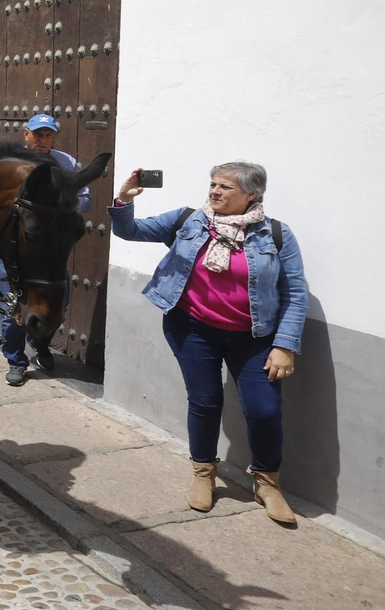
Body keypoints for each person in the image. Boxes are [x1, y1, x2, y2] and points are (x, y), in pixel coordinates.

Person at [112, 162, 308, 524]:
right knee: (205, 402)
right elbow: (130, 231)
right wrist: (124, 201)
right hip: (193, 329)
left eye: (225, 187)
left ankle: (267, 482)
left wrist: (284, 344)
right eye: (213, 184)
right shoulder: (190, 220)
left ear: (252, 194)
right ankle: (204, 473)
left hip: (255, 336)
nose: (215, 192)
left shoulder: (276, 234)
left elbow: (295, 293)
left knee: (264, 410)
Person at [0, 114, 91, 387]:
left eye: (47, 134)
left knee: (58, 300)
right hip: (14, 247)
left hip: (48, 248)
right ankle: (16, 360)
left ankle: (39, 342)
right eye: (37, 134)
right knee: (14, 304)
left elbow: (84, 198)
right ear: (25, 134)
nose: (42, 139)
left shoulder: (66, 163)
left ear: (54, 137)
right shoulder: (9, 163)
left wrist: (63, 209)